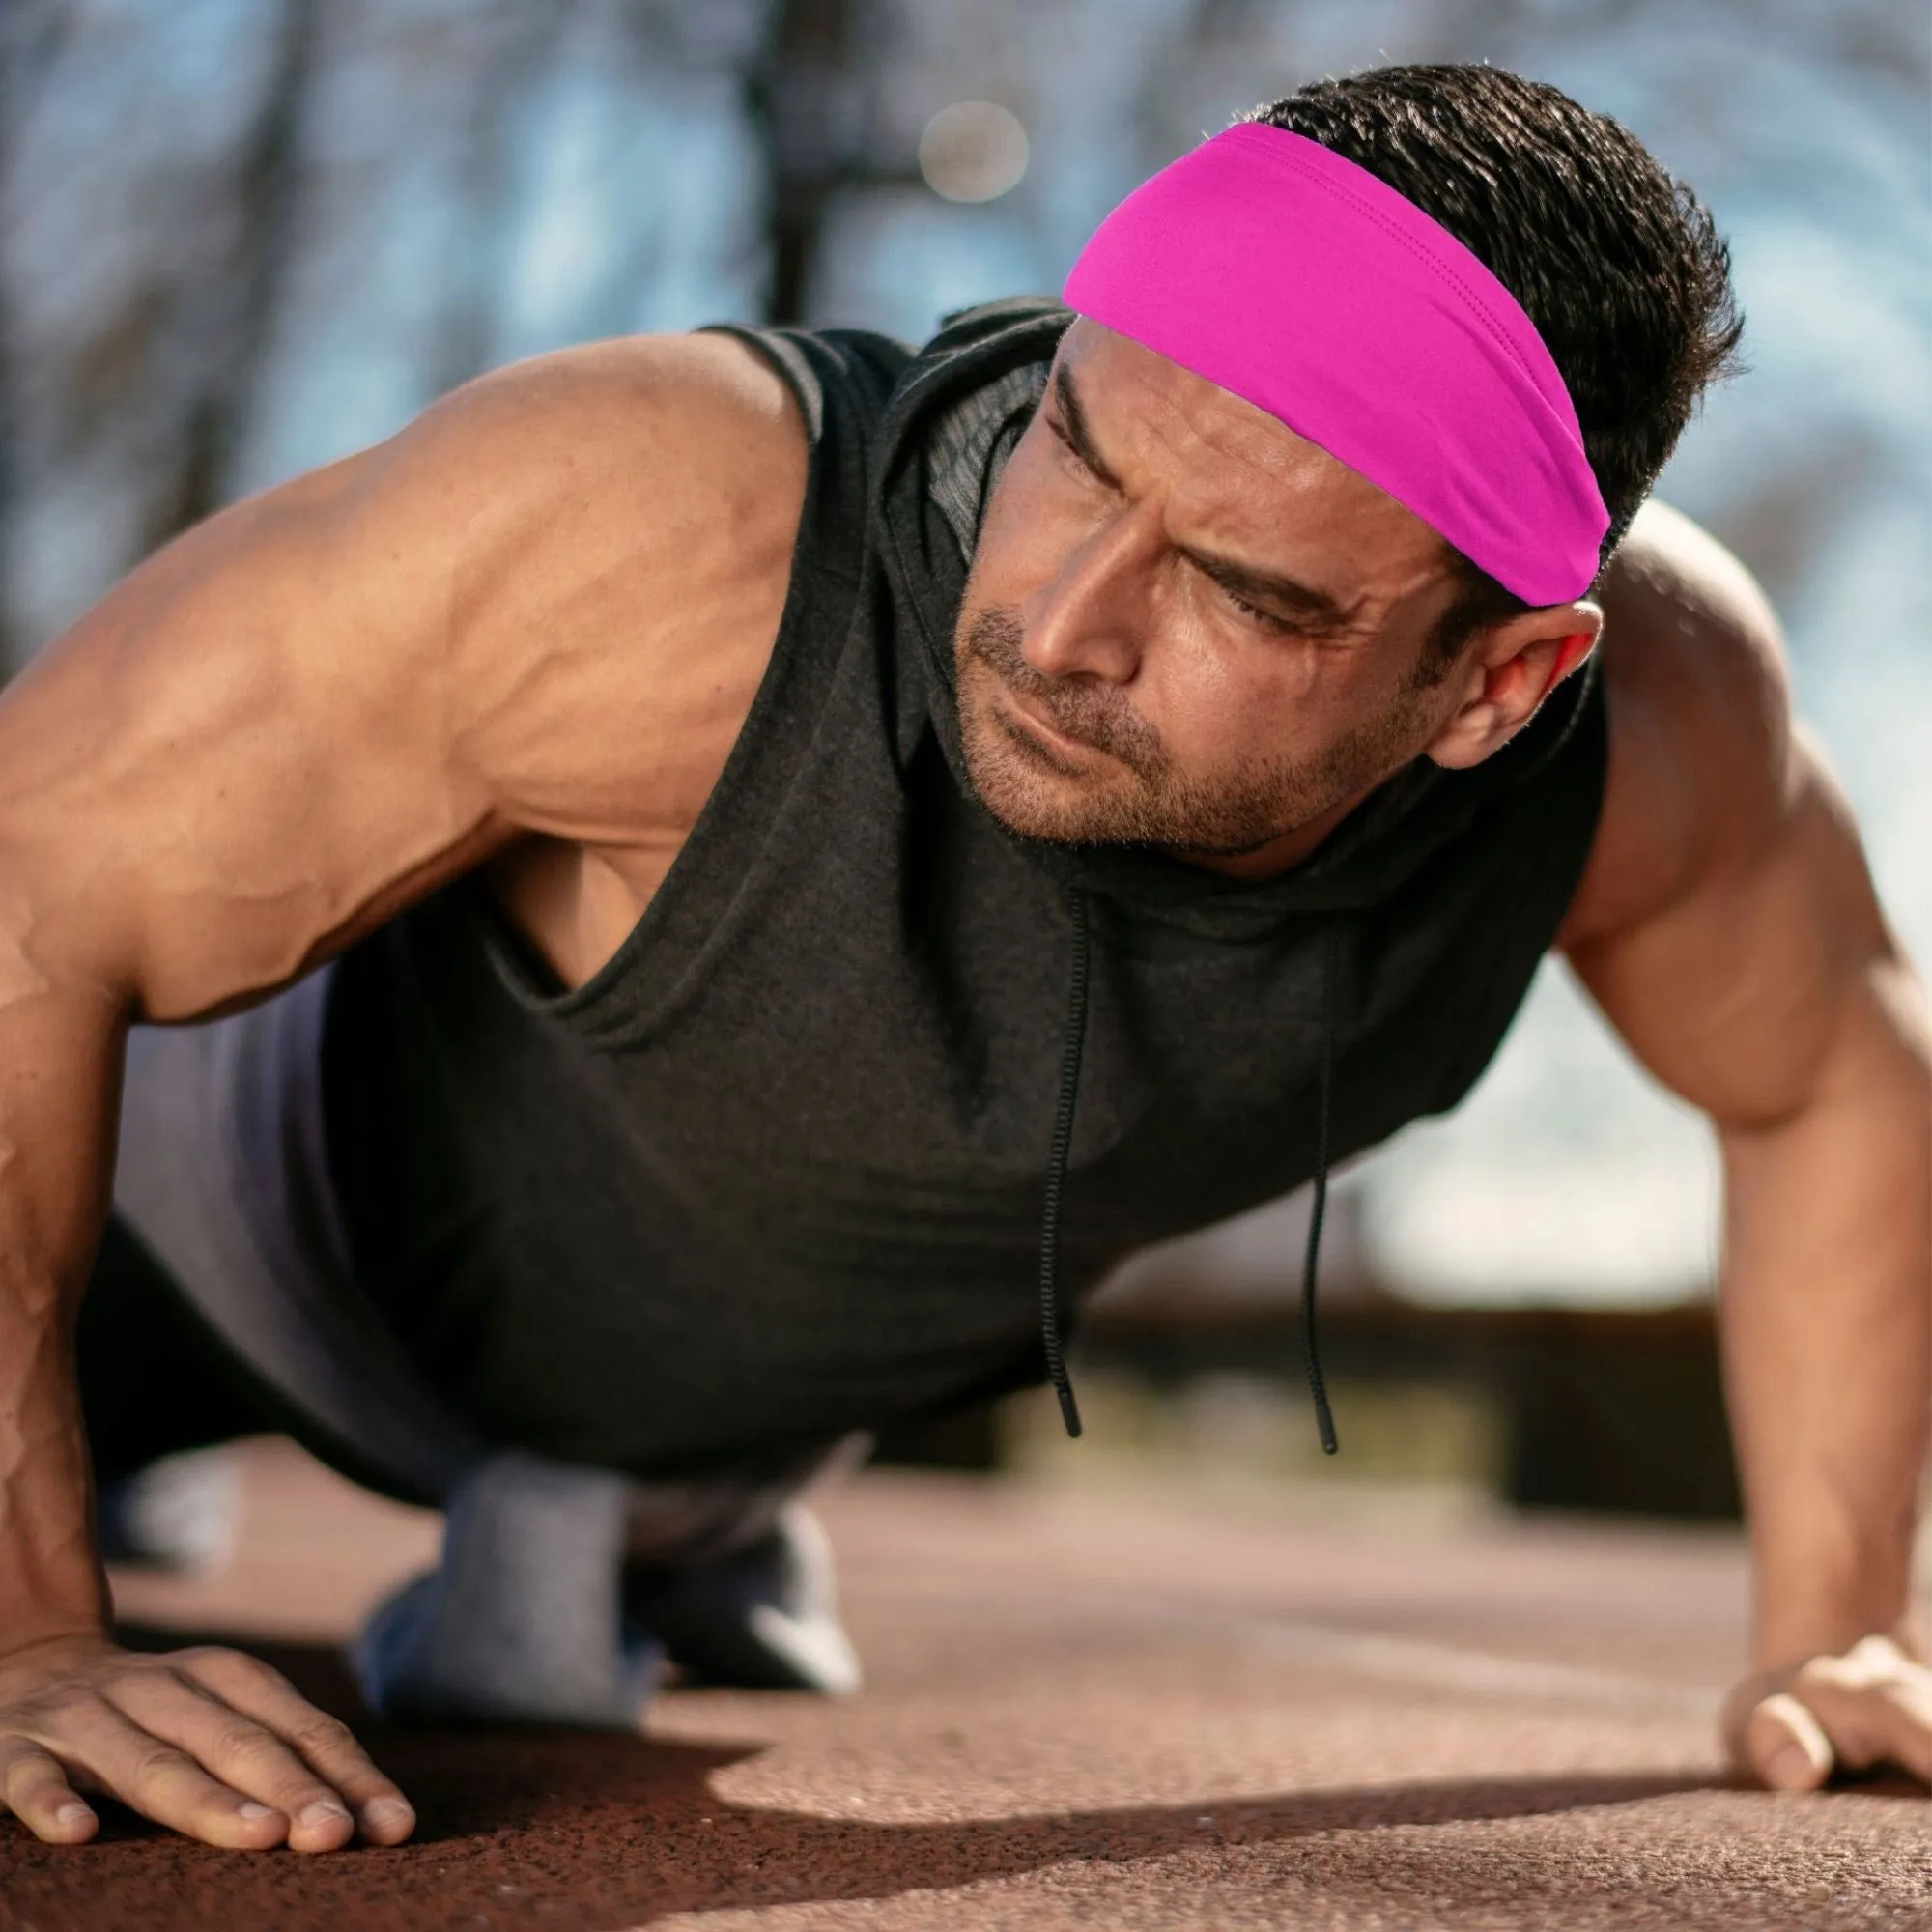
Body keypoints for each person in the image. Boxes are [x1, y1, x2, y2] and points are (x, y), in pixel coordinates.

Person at [0, 62, 1926, 1857]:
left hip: (693, 1431)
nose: (1062, 619)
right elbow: (33, 867)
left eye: (1244, 591)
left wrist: (1834, 1627)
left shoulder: (1659, 732)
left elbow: (1834, 1070)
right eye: (1076, 454)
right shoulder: (659, 526)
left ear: (1500, 682)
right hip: (203, 1236)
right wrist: (28, 1631)